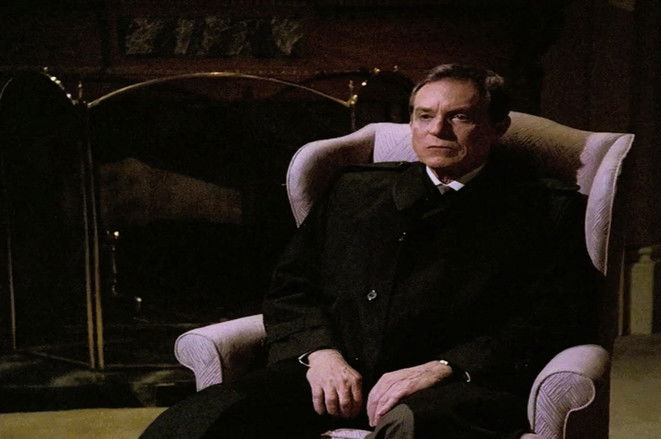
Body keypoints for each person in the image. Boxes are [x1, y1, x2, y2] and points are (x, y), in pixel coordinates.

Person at [142, 63, 600, 438]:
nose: (437, 130)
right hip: (337, 373)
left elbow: (554, 318)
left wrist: (445, 366)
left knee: (408, 428)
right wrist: (320, 354)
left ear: (498, 126)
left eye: (459, 117)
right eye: (424, 116)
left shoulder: (546, 210)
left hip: (455, 384)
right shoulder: (353, 192)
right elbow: (291, 289)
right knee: (197, 421)